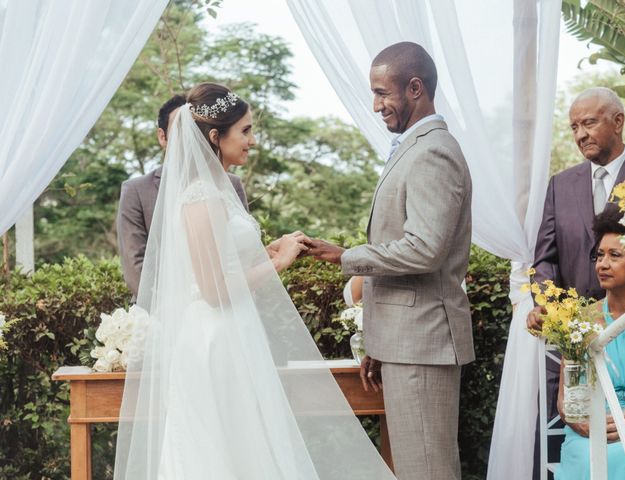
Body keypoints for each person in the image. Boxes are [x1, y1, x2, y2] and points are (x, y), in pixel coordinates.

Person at [113, 83, 396, 480]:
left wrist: (269, 250)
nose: (252, 140)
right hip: (215, 339)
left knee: (250, 444)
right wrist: (279, 264)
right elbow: (213, 289)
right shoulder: (199, 197)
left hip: (237, 331)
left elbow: (224, 260)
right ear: (216, 137)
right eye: (245, 131)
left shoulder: (220, 189)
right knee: (223, 449)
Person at [308, 42, 474, 480]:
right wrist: (378, 341)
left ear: (415, 88)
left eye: (383, 93)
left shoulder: (433, 151)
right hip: (407, 342)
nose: (376, 105)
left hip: (424, 343)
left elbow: (425, 249)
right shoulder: (413, 147)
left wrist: (347, 257)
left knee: (428, 471)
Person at [527, 87, 625, 475]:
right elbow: (544, 260)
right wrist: (556, 315)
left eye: (589, 123)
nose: (580, 135)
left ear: (618, 122)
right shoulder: (561, 184)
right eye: (574, 126)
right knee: (563, 442)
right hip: (575, 343)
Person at [116, 94, 249, 299]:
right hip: (164, 313)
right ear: (162, 136)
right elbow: (136, 268)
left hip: (230, 302)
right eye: (181, 130)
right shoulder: (136, 190)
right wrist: (181, 313)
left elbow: (240, 254)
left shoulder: (231, 184)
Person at [554, 206, 625, 479]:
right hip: (593, 426)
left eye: (615, 255)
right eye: (599, 255)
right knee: (592, 459)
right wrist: (588, 426)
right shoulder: (581, 321)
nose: (602, 264)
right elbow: (566, 400)